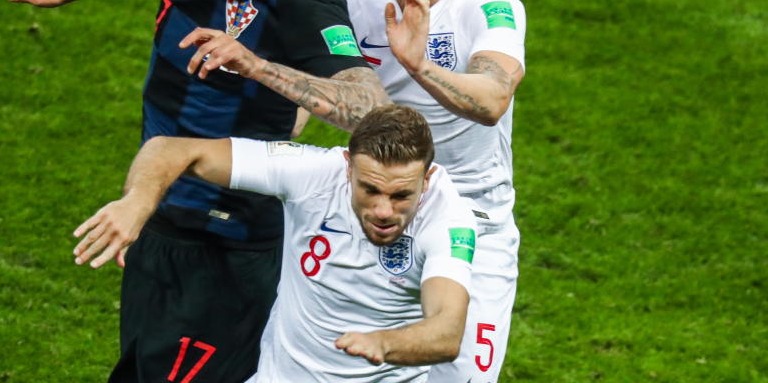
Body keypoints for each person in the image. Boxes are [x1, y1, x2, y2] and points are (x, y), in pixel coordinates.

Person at [0, 0, 389, 383]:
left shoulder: (307, 5)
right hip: (154, 216)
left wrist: (257, 66)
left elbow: (371, 109)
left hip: (229, 243)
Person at [73, 105, 477, 382]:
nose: (384, 210)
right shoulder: (314, 174)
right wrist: (138, 203)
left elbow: (446, 331)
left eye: (401, 196)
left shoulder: (448, 221)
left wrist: (382, 342)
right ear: (348, 167)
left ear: (427, 178)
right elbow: (171, 149)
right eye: (370, 189)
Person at [334, 0, 526, 383]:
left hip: (473, 216)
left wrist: (419, 63)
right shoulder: (346, 0)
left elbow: (492, 101)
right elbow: (307, 101)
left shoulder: (490, 7)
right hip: (372, 206)